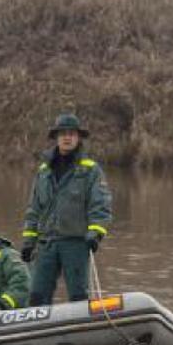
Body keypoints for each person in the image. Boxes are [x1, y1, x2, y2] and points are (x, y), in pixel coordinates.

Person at [21, 113, 113, 306]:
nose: (67, 137)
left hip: (76, 243)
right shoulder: (44, 171)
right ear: (56, 137)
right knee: (36, 296)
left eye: (71, 133)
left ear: (78, 137)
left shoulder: (90, 170)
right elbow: (34, 208)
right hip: (47, 243)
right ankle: (40, 333)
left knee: (79, 297)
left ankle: (82, 332)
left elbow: (101, 205)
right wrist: (29, 240)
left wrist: (95, 233)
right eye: (63, 133)